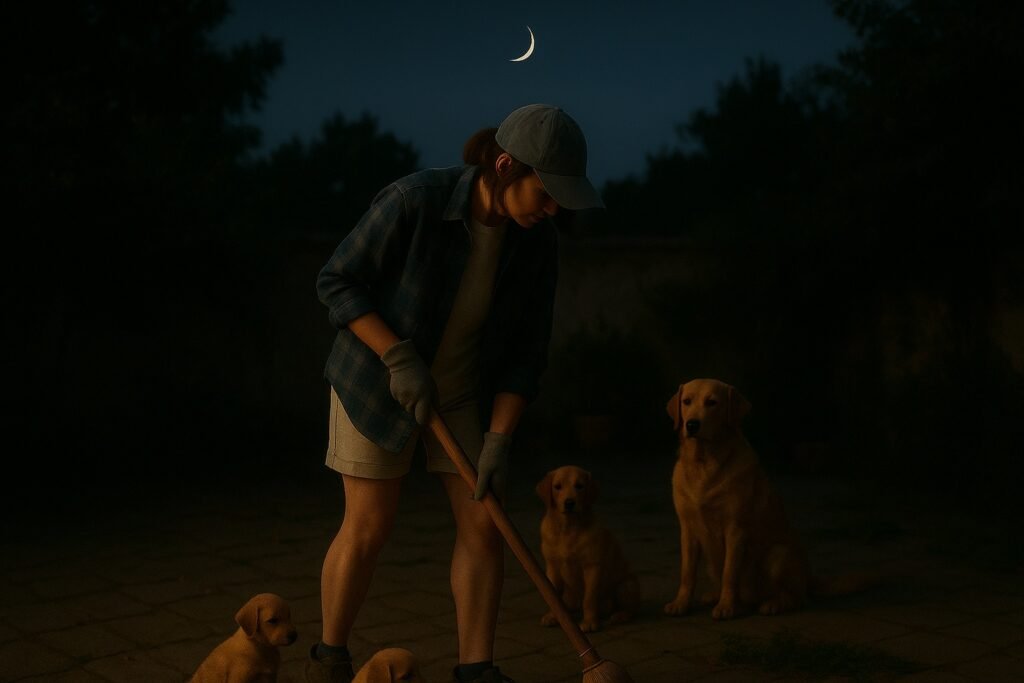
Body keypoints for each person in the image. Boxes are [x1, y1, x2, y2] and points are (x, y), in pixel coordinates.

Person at [307, 104, 603, 683]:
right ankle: (330, 660)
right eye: (546, 193)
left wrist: (499, 440)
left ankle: (476, 670)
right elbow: (336, 280)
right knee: (369, 524)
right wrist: (398, 357)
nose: (552, 209)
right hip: (374, 380)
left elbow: (527, 355)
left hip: (462, 393)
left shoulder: (537, 244)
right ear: (505, 166)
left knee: (484, 524)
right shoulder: (413, 201)